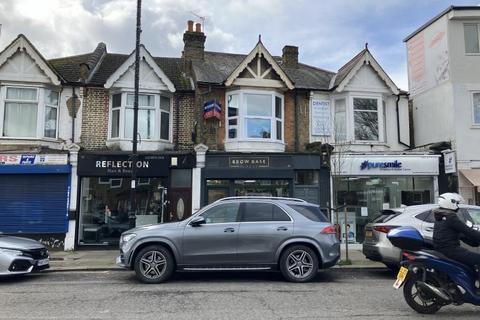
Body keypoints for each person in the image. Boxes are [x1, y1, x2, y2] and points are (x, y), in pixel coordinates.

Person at [433, 193, 480, 274]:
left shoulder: (440, 216)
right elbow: (467, 231)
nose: (458, 205)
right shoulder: (451, 217)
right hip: (451, 250)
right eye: (457, 203)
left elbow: (458, 233)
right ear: (450, 203)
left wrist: (474, 242)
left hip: (443, 249)